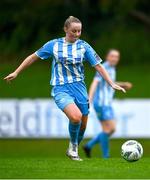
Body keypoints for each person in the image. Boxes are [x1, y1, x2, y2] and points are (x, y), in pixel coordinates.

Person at [4, 16, 125, 161]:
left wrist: (111, 83)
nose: (76, 34)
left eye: (79, 31)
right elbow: (33, 57)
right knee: (75, 117)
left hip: (80, 88)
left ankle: (73, 148)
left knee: (83, 124)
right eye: (74, 30)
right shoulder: (53, 45)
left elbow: (98, 66)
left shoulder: (84, 46)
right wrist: (16, 72)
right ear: (66, 29)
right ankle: (73, 148)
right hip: (60, 88)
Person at [83, 49, 132, 158]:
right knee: (108, 129)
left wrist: (123, 84)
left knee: (112, 129)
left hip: (107, 104)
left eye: (117, 57)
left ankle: (89, 145)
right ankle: (106, 156)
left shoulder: (112, 68)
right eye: (112, 56)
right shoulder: (103, 67)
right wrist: (89, 99)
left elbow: (110, 82)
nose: (114, 58)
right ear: (107, 57)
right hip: (101, 103)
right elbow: (95, 82)